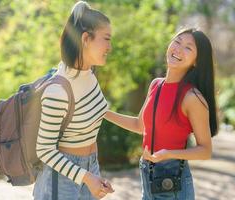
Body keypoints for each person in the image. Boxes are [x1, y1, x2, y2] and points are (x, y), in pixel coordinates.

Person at [105, 28, 218, 200]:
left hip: (172, 178)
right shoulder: (155, 85)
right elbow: (139, 125)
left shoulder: (192, 97)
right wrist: (103, 113)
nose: (178, 49)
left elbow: (205, 151)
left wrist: (169, 154)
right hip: (147, 172)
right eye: (177, 41)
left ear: (196, 61)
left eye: (188, 48)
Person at [33, 1, 114, 199]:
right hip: (60, 180)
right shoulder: (57, 90)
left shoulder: (89, 74)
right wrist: (86, 176)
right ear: (86, 38)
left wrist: (94, 173)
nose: (110, 47)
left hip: (89, 169)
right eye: (106, 39)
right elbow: (44, 150)